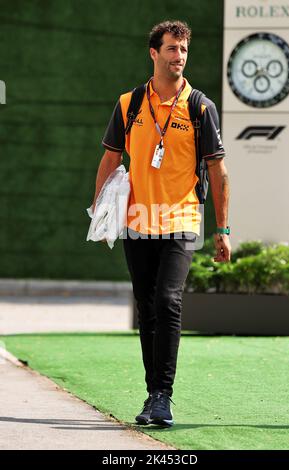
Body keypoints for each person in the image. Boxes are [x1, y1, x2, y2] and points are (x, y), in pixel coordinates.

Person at [92, 20, 231, 427]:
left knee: (168, 300)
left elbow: (218, 172)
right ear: (154, 53)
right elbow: (110, 159)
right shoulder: (128, 104)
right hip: (138, 220)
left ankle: (163, 396)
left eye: (183, 50)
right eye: (171, 49)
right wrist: (101, 213)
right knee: (147, 308)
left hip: (182, 218)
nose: (179, 57)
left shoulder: (200, 107)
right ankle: (153, 393)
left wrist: (223, 230)